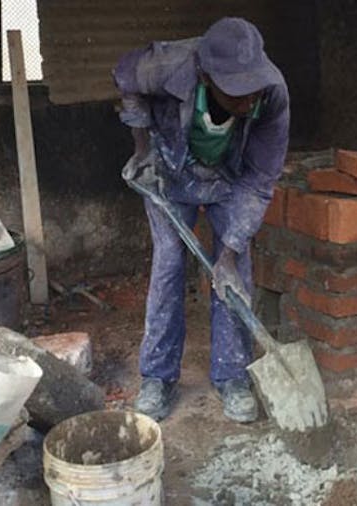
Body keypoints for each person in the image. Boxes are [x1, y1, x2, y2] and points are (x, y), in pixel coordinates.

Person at [113, 17, 289, 423]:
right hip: (170, 172)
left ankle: (232, 376)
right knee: (170, 262)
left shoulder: (273, 94)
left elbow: (261, 180)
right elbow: (125, 77)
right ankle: (157, 377)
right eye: (237, 93)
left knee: (235, 271)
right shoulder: (169, 66)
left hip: (229, 177)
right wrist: (141, 149)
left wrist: (226, 252)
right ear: (207, 79)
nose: (249, 102)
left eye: (253, 90)